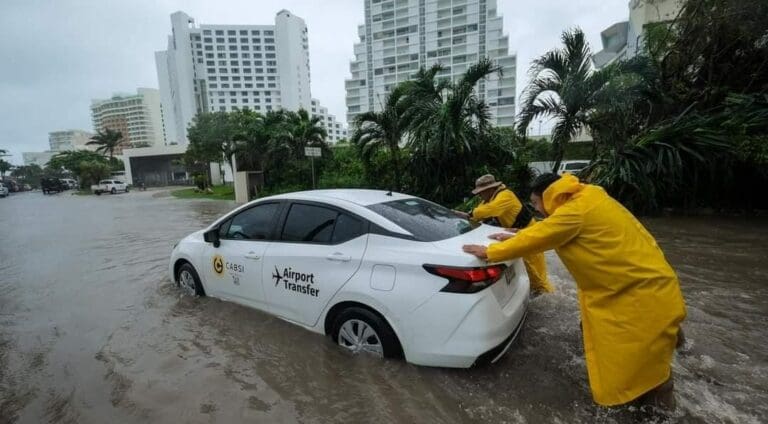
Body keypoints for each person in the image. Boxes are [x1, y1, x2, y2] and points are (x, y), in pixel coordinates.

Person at [463, 173, 686, 409]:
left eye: (537, 203)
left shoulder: (573, 213)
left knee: (649, 373)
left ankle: (659, 410)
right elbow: (553, 228)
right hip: (649, 286)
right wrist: (517, 233)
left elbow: (550, 231)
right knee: (651, 345)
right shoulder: (589, 196)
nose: (537, 209)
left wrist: (490, 253)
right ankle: (674, 357)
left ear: (548, 196)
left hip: (636, 296)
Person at [455, 174, 554, 294]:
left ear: (490, 189)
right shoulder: (488, 199)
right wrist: (465, 216)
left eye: (481, 192)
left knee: (537, 273)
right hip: (516, 234)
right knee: (528, 270)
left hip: (528, 232)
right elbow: (480, 213)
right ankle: (536, 292)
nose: (479, 195)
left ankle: (547, 295)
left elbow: (490, 210)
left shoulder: (505, 195)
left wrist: (469, 214)